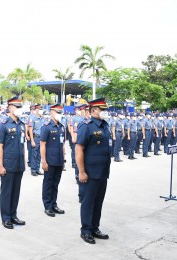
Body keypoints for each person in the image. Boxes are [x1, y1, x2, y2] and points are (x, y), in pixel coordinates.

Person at [76, 97, 111, 244]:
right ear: (93, 111)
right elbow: (79, 150)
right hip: (90, 173)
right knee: (88, 202)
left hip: (102, 172)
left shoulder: (105, 125)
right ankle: (86, 230)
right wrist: (82, 172)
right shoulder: (86, 126)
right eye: (102, 110)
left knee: (98, 202)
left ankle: (95, 228)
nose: (105, 112)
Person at [0, 96, 26, 230]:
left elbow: (22, 144)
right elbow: (0, 146)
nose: (19, 109)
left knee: (16, 191)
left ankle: (13, 215)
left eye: (20, 106)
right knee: (7, 192)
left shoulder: (21, 124)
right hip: (8, 164)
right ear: (9, 108)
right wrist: (0, 165)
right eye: (17, 107)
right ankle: (6, 217)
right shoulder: (3, 125)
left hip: (19, 164)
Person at [40, 104, 66, 217]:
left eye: (61, 112)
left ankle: (54, 204)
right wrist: (44, 161)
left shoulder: (62, 127)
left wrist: (64, 159)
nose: (60, 115)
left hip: (59, 160)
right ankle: (47, 206)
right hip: (50, 161)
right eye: (57, 112)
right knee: (48, 183)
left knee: (55, 184)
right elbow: (42, 145)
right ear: (51, 113)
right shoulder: (46, 127)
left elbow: (63, 144)